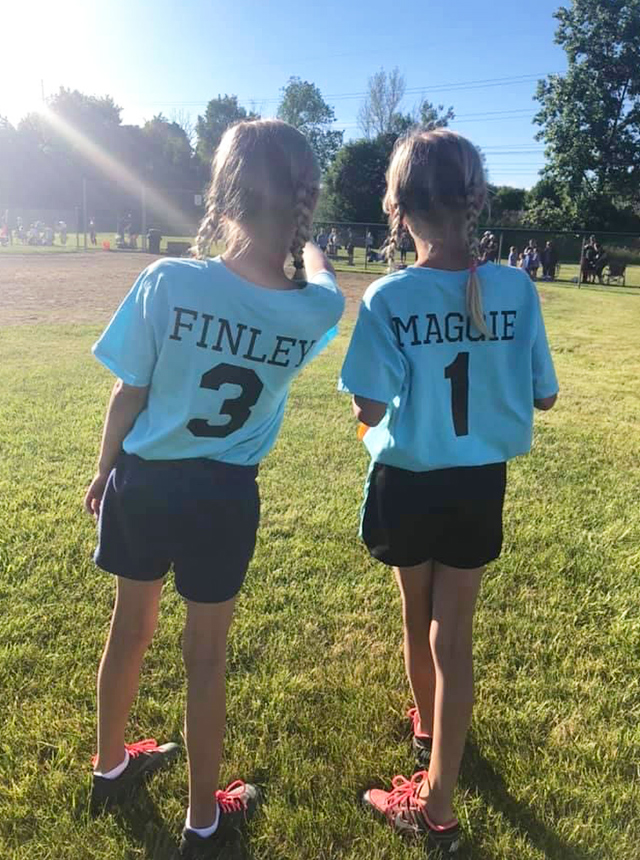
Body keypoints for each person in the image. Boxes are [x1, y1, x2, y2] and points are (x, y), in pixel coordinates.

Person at [84, 119, 344, 859]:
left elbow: (127, 395)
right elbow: (322, 277)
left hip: (144, 481)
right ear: (301, 202)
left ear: (224, 194)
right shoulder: (314, 309)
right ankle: (204, 821)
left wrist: (103, 468)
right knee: (206, 657)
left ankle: (109, 769)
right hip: (225, 495)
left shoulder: (168, 279)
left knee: (127, 631)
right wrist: (311, 245)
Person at [338, 128, 558, 856]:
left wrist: (373, 406)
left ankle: (435, 796)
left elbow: (368, 407)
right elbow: (544, 396)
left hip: (408, 477)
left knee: (416, 614)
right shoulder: (517, 286)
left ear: (396, 209)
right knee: (453, 633)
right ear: (476, 199)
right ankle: (434, 740)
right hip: (477, 481)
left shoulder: (388, 295)